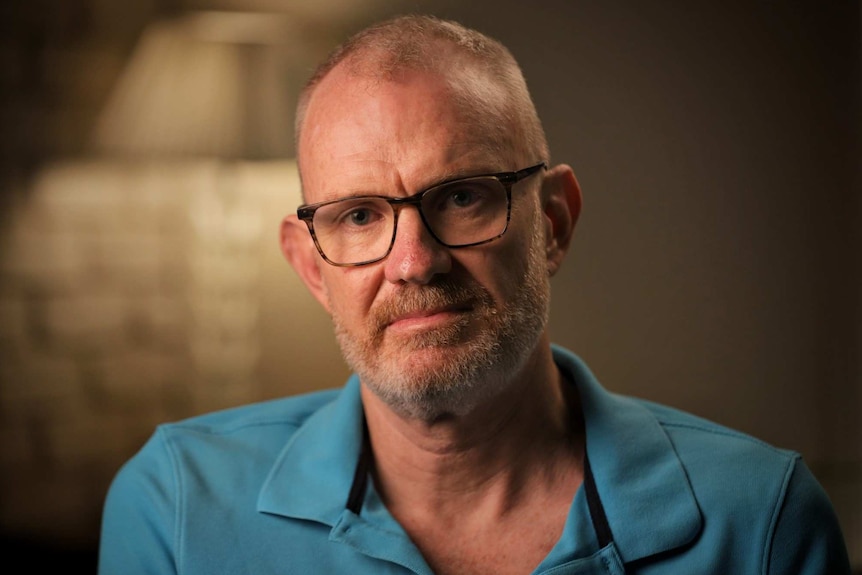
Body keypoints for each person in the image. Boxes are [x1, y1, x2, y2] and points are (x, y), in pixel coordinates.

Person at [98, 14, 852, 575]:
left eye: (461, 197)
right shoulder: (174, 510)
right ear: (311, 267)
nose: (415, 261)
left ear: (553, 222)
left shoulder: (762, 524)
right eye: (360, 216)